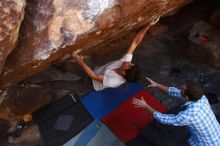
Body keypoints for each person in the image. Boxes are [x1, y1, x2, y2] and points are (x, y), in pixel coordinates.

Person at [72, 17, 160, 91]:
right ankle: (61, 67)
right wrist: (148, 26)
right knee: (67, 66)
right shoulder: (125, 62)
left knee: (61, 84)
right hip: (94, 70)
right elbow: (135, 43)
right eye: (131, 63)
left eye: (129, 65)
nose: (129, 62)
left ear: (124, 73)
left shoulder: (114, 82)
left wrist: (81, 62)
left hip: (91, 84)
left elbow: (94, 76)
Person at [132, 77, 220, 146]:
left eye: (183, 88)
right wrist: (157, 85)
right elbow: (175, 92)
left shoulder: (189, 115)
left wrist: (146, 107)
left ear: (187, 97)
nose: (181, 86)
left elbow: (165, 119)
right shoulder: (201, 97)